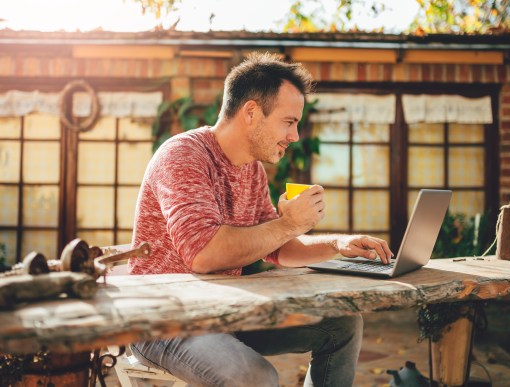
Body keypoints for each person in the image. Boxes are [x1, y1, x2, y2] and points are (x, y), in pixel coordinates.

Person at [128, 52, 393, 387]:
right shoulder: (182, 156)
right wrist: (289, 223)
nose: (295, 136)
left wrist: (339, 244)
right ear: (251, 112)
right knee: (256, 377)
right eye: (289, 121)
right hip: (164, 321)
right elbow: (204, 255)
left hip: (226, 311)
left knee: (342, 325)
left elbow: (278, 248)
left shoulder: (250, 169)